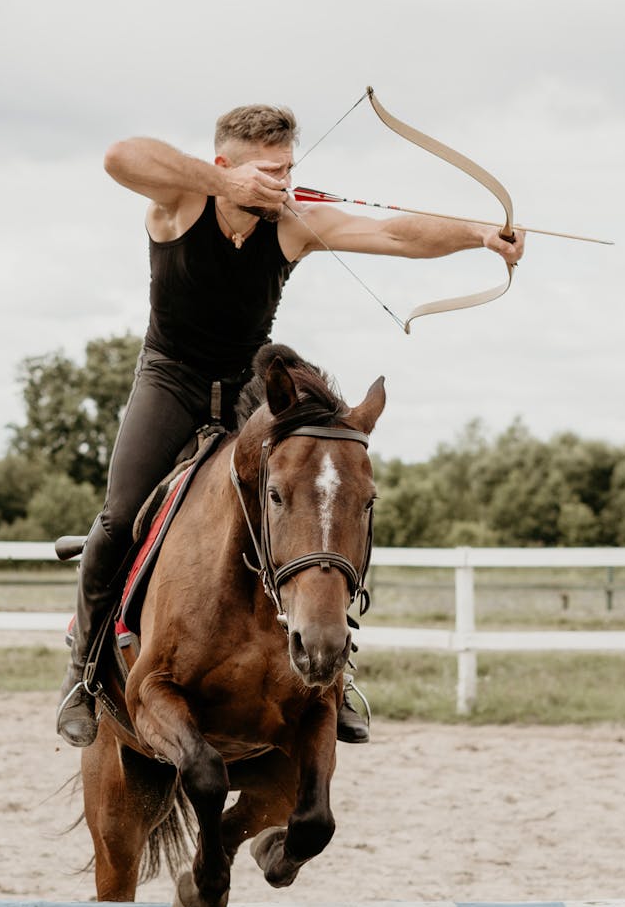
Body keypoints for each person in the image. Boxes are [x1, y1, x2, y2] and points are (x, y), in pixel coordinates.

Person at [57, 102, 524, 749]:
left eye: (288, 168)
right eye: (268, 171)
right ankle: (83, 671)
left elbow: (394, 234)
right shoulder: (179, 205)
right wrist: (224, 185)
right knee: (117, 517)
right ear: (227, 164)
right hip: (170, 380)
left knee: (306, 505)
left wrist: (477, 232)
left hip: (252, 387)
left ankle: (335, 677)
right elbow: (120, 156)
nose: (282, 182)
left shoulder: (293, 223)